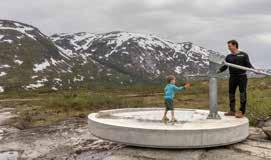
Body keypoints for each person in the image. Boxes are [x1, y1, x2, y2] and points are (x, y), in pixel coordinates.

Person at [217, 40, 254, 118]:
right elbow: (225, 66)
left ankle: (241, 111)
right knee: (231, 93)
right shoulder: (228, 56)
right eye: (228, 46)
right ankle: (232, 110)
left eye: (229, 46)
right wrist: (218, 71)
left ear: (235, 46)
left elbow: (248, 65)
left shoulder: (243, 55)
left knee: (242, 94)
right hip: (232, 77)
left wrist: (254, 70)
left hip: (242, 77)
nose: (228, 47)